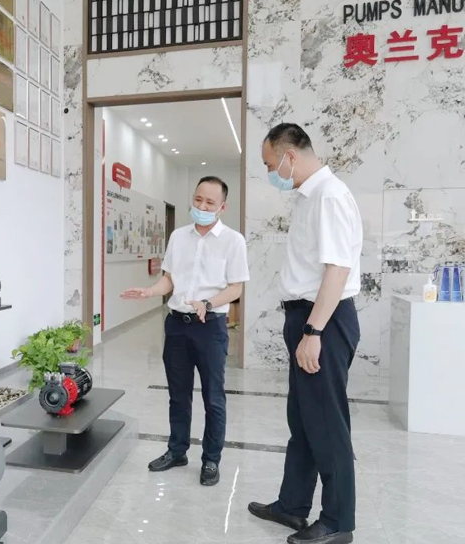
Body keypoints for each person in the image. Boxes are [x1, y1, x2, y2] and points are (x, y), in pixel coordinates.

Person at [248, 123, 363, 544]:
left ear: (290, 156)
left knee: (327, 422)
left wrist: (313, 331)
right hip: (306, 317)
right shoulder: (309, 197)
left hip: (323, 320)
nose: (270, 172)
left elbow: (338, 269)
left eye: (269, 164)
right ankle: (292, 505)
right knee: (303, 419)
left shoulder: (329, 195)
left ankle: (338, 521)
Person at [121, 176, 249, 486]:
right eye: (197, 199)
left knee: (213, 397)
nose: (202, 206)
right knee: (178, 395)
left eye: (209, 202)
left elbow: (236, 288)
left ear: (222, 207)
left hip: (210, 326)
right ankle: (177, 451)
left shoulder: (233, 241)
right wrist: (150, 291)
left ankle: (211, 459)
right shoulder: (179, 237)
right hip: (177, 325)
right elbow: (169, 279)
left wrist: (208, 302)